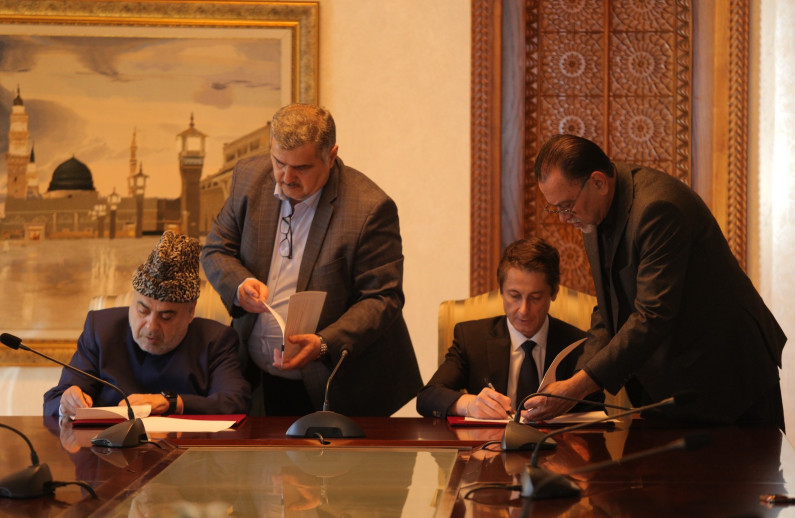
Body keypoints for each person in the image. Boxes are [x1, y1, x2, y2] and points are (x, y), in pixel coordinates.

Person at [528, 134, 786, 428]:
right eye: (556, 208)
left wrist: (578, 387)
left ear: (598, 182)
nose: (563, 218)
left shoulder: (658, 208)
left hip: (727, 376)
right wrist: (577, 383)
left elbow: (652, 316)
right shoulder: (593, 211)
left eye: (566, 206)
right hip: (670, 381)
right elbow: (608, 310)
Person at [201, 103, 422, 416]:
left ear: (331, 156)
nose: (286, 177)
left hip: (339, 386)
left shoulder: (369, 209)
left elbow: (382, 298)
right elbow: (216, 249)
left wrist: (324, 343)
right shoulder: (248, 178)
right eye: (279, 162)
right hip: (256, 381)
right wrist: (240, 284)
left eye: (301, 168)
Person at [43, 231, 250, 418]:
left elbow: (235, 402)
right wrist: (67, 403)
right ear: (133, 301)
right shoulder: (101, 329)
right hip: (108, 446)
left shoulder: (215, 340)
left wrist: (172, 403)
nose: (151, 326)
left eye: (166, 317)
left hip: (185, 447)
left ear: (190, 312)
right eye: (143, 311)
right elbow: (53, 401)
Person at [416, 238, 602, 420]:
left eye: (535, 298)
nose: (523, 310)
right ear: (501, 291)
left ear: (553, 293)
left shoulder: (579, 345)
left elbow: (596, 411)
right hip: (488, 440)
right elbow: (428, 396)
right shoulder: (472, 339)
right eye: (514, 296)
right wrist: (470, 405)